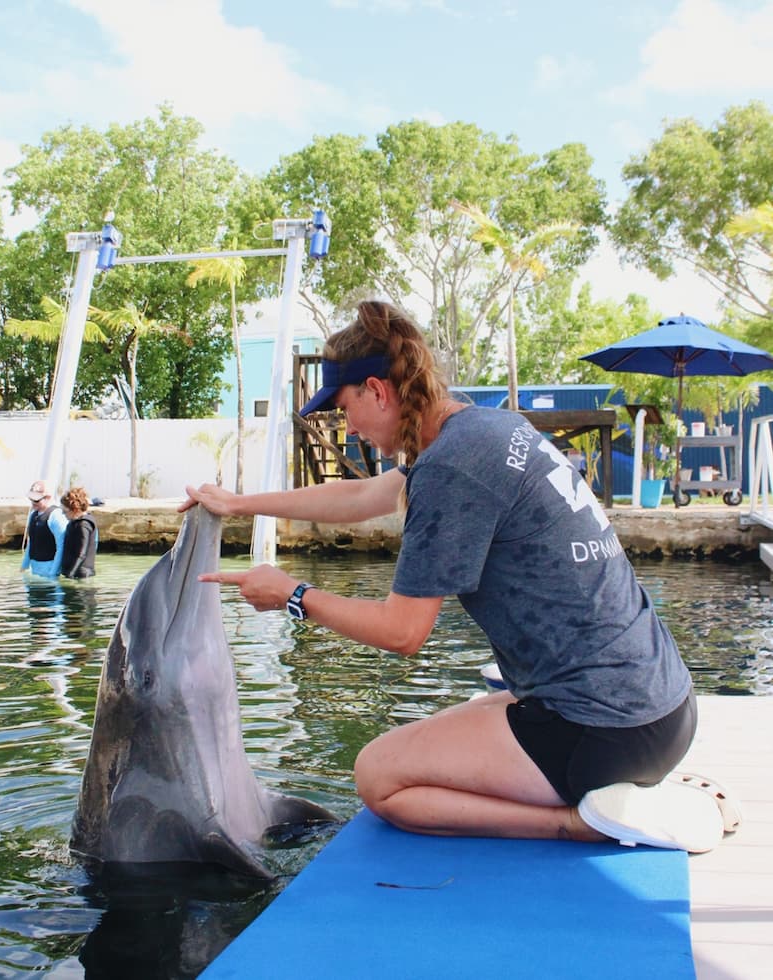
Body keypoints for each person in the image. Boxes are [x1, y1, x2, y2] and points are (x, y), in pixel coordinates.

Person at [181, 299, 739, 853]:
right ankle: (623, 786)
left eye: (345, 406)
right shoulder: (489, 430)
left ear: (377, 391)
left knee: (380, 776)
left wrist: (293, 595)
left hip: (607, 728)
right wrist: (239, 504)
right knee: (468, 715)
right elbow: (362, 494)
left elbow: (404, 632)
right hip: (663, 705)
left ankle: (581, 820)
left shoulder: (451, 469)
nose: (346, 426)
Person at [21, 480, 68, 578]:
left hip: (50, 568)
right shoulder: (33, 515)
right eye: (31, 499)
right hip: (35, 568)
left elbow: (62, 546)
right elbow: (31, 542)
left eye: (37, 500)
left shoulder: (56, 515)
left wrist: (53, 573)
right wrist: (24, 566)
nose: (33, 503)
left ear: (48, 498)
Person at [60, 486, 98, 579]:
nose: (62, 514)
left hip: (81, 574)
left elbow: (81, 553)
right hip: (73, 571)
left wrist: (70, 574)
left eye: (65, 511)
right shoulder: (74, 522)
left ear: (75, 510)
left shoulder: (83, 524)